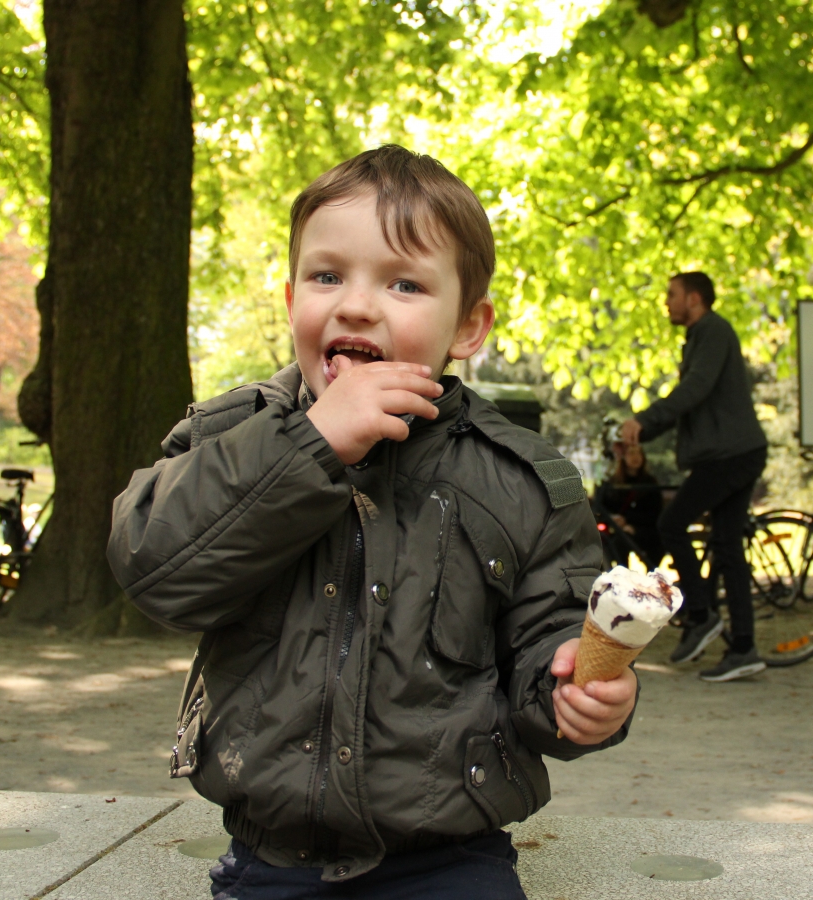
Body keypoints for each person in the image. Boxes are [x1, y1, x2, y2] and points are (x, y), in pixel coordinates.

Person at [107, 146, 637, 900]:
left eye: (404, 283)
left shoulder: (521, 481)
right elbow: (155, 565)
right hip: (273, 857)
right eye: (327, 276)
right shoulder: (231, 438)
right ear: (290, 298)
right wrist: (311, 445)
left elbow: (550, 632)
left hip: (450, 858)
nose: (355, 305)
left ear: (468, 327)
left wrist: (577, 695)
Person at [621, 272, 768, 683]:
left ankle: (701, 615)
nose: (667, 302)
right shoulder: (703, 335)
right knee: (726, 545)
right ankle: (743, 648)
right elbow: (693, 400)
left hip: (730, 455)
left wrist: (644, 420)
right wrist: (643, 431)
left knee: (671, 524)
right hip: (735, 452)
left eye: (672, 294)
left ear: (694, 298)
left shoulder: (712, 331)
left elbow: (695, 389)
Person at [595, 443, 664, 569]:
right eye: (631, 453)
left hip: (644, 530)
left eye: (638, 453)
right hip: (616, 530)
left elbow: (654, 513)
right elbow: (604, 508)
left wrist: (630, 524)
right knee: (615, 542)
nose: (635, 457)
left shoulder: (650, 483)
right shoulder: (613, 483)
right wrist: (615, 520)